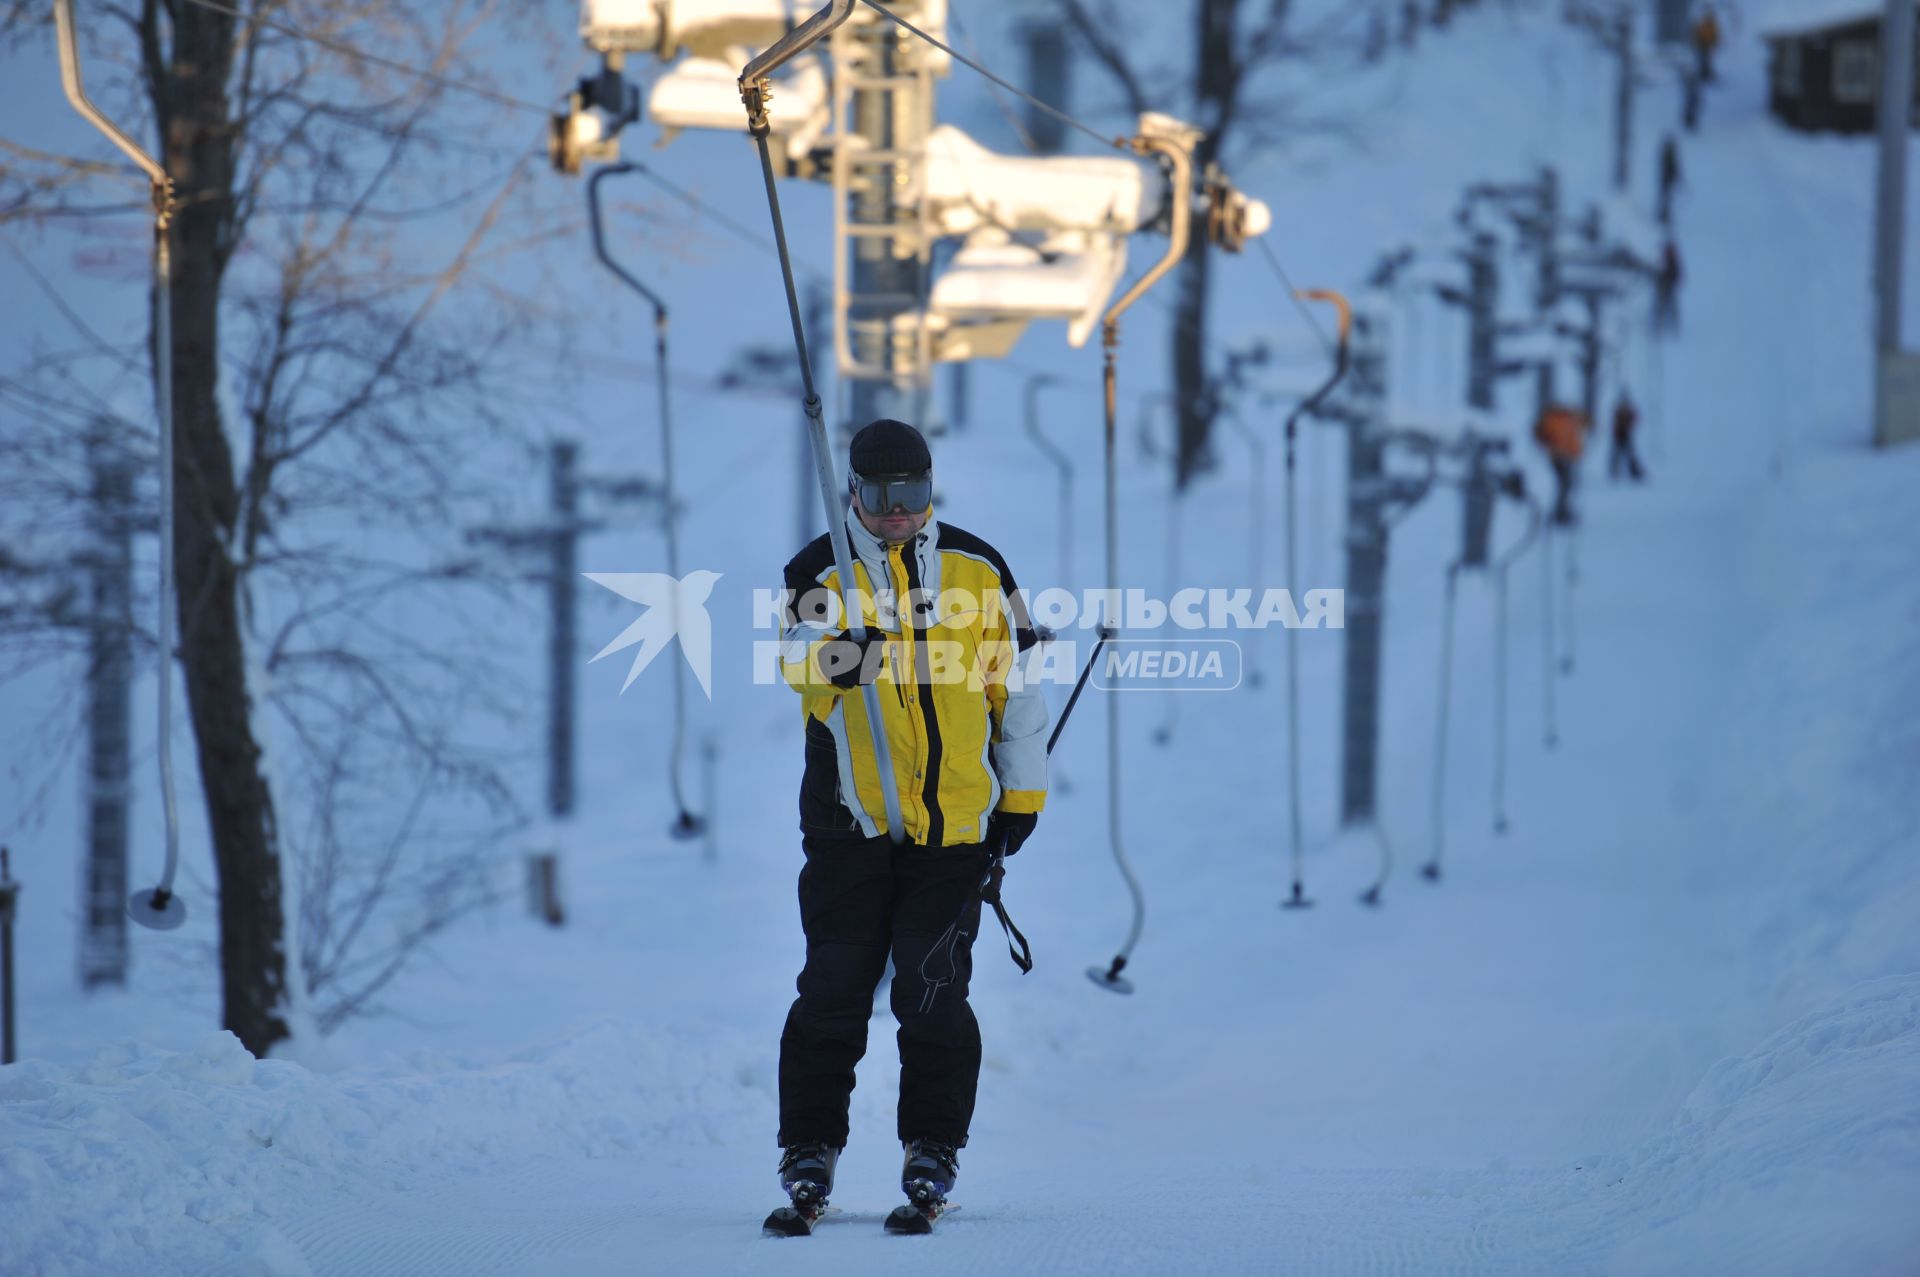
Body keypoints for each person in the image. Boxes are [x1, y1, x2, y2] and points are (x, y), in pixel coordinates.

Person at [772, 418, 1049, 1224]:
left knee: (931, 993)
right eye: (885, 497)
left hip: (953, 826)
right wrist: (846, 650)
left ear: (932, 489)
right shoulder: (818, 565)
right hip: (849, 820)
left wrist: (1021, 797)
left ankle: (933, 1145)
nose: (901, 513)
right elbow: (793, 661)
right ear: (854, 491)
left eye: (916, 495)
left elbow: (1019, 688)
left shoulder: (979, 565)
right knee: (833, 989)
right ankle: (808, 1147)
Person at [1534, 402, 1586, 525]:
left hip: (1568, 457)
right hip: (1558, 456)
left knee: (1567, 484)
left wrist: (1576, 452)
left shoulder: (1569, 418)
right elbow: (1543, 435)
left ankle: (1563, 511)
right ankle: (1560, 513)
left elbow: (1579, 431)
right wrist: (1549, 446)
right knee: (1565, 484)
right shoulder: (1552, 419)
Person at [1610, 390, 1647, 482]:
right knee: (1618, 455)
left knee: (1629, 455)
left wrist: (1629, 423)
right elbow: (1615, 422)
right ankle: (1615, 472)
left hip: (1625, 434)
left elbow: (1635, 419)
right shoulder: (1619, 409)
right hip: (1619, 435)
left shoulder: (1626, 409)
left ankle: (1633, 472)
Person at [1654, 239, 1683, 333]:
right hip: (1664, 286)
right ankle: (1662, 326)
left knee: (1668, 307)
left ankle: (1671, 326)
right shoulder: (1666, 261)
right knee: (1665, 307)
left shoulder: (1672, 261)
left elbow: (1677, 274)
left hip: (1668, 286)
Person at [1692, 4, 1721, 83]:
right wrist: (1696, 42)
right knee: (1702, 60)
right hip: (1702, 45)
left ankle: (1707, 74)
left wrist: (1715, 42)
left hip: (1709, 45)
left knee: (1708, 60)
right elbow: (1697, 34)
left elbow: (1715, 35)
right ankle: (1702, 74)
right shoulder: (1702, 24)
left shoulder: (1712, 25)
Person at [1658, 135, 1682, 225]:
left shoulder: (1667, 154)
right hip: (1666, 179)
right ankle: (1664, 215)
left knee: (1666, 198)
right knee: (1666, 198)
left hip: (1666, 179)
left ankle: (1664, 215)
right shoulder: (1669, 155)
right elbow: (1674, 168)